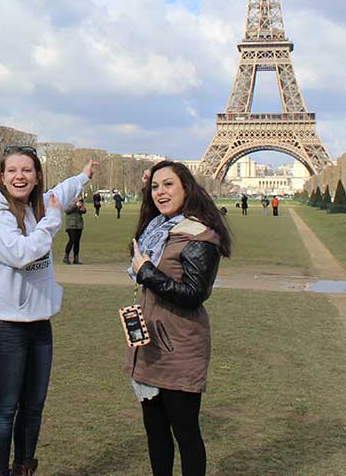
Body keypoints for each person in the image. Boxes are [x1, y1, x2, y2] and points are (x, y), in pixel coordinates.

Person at [0, 147, 98, 476]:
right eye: (12, 170)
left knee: (33, 407)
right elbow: (21, 254)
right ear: (2, 177)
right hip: (4, 327)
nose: (20, 176)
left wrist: (84, 176)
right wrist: (53, 223)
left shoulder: (39, 204)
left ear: (37, 176)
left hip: (39, 325)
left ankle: (24, 468)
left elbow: (63, 192)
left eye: (27, 170)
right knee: (5, 408)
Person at [127, 160, 232, 476]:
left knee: (185, 434)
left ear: (187, 187)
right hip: (149, 343)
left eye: (169, 184)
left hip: (180, 346)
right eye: (155, 187)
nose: (161, 192)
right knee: (155, 432)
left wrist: (146, 272)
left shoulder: (200, 234)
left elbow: (194, 294)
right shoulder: (157, 229)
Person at [63, 197, 86, 264]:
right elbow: (67, 210)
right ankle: (66, 257)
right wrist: (75, 205)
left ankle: (76, 259)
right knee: (72, 240)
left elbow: (84, 211)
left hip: (79, 224)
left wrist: (82, 207)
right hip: (71, 224)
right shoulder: (68, 200)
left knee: (77, 242)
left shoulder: (80, 201)